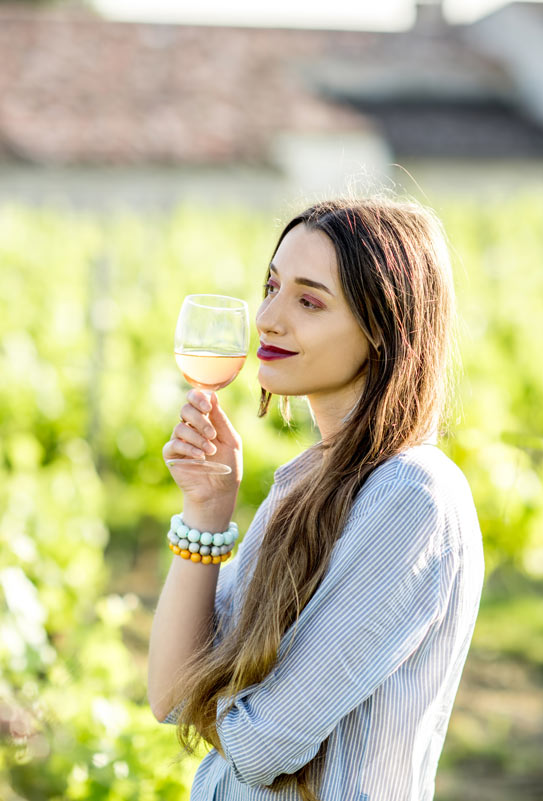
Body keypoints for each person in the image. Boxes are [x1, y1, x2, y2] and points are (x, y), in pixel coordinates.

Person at [148, 197, 484, 801]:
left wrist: (218, 685)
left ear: (383, 327)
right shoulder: (305, 484)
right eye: (271, 287)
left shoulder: (411, 497)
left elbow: (261, 745)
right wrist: (205, 510)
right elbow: (169, 695)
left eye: (309, 300)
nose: (269, 319)